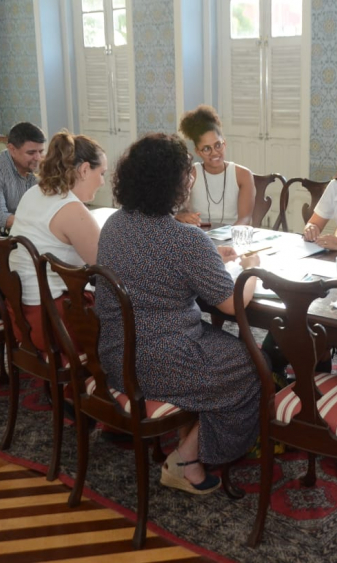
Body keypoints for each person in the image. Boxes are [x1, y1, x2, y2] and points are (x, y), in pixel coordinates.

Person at [96, 133, 261, 495]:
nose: (191, 178)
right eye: (188, 173)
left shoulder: (115, 224)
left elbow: (156, 263)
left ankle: (191, 430)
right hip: (162, 362)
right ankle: (187, 460)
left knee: (225, 350)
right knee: (255, 365)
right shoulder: (185, 239)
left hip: (115, 353)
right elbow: (232, 305)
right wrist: (251, 269)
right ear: (174, 182)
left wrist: (210, 255)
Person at [7, 130, 105, 352]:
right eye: (101, 173)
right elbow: (108, 268)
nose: (102, 181)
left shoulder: (34, 192)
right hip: (55, 325)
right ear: (84, 169)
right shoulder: (70, 208)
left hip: (22, 317)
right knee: (130, 315)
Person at [175, 105, 255, 226]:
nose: (214, 153)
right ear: (198, 151)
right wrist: (181, 215)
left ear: (224, 144)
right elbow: (176, 211)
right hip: (199, 233)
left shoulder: (243, 175)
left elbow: (245, 219)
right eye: (207, 148)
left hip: (233, 233)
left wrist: (230, 236)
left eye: (218, 145)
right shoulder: (191, 174)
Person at [0, 122, 46, 233]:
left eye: (41, 151)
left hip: (29, 233)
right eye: (31, 153)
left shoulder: (41, 165)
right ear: (12, 149)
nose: (38, 158)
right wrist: (39, 223)